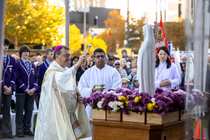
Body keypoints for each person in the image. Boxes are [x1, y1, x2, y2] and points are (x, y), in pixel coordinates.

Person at [35, 45, 91, 140]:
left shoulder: (65, 70)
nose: (68, 58)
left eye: (69, 55)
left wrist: (77, 96)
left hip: (69, 114)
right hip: (57, 116)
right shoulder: (51, 72)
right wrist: (77, 65)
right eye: (66, 56)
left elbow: (70, 86)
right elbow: (62, 81)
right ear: (57, 56)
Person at [78, 48, 122, 127]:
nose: (100, 58)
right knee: (92, 131)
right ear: (93, 59)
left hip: (109, 106)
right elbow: (81, 88)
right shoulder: (87, 73)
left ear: (105, 58)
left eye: (102, 56)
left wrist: (107, 95)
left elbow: (117, 88)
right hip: (92, 107)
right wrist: (91, 90)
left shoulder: (113, 72)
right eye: (98, 57)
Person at [16, 45, 39, 137]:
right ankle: (19, 130)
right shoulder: (17, 64)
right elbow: (17, 78)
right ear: (21, 53)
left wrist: (33, 88)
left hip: (31, 92)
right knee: (20, 111)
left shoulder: (31, 64)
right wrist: (26, 89)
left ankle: (27, 129)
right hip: (21, 92)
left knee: (29, 111)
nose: (26, 53)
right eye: (24, 51)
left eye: (27, 51)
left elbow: (36, 78)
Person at [0, 38, 16, 138]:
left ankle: (6, 131)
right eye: (4, 45)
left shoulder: (12, 59)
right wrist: (4, 86)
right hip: (1, 87)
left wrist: (10, 87)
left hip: (9, 89)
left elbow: (14, 74)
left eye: (7, 45)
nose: (6, 47)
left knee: (7, 110)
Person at [137, 24, 156, 96]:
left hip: (145, 66)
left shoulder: (147, 42)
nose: (142, 33)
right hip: (145, 65)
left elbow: (141, 54)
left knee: (145, 81)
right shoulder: (149, 41)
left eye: (143, 31)